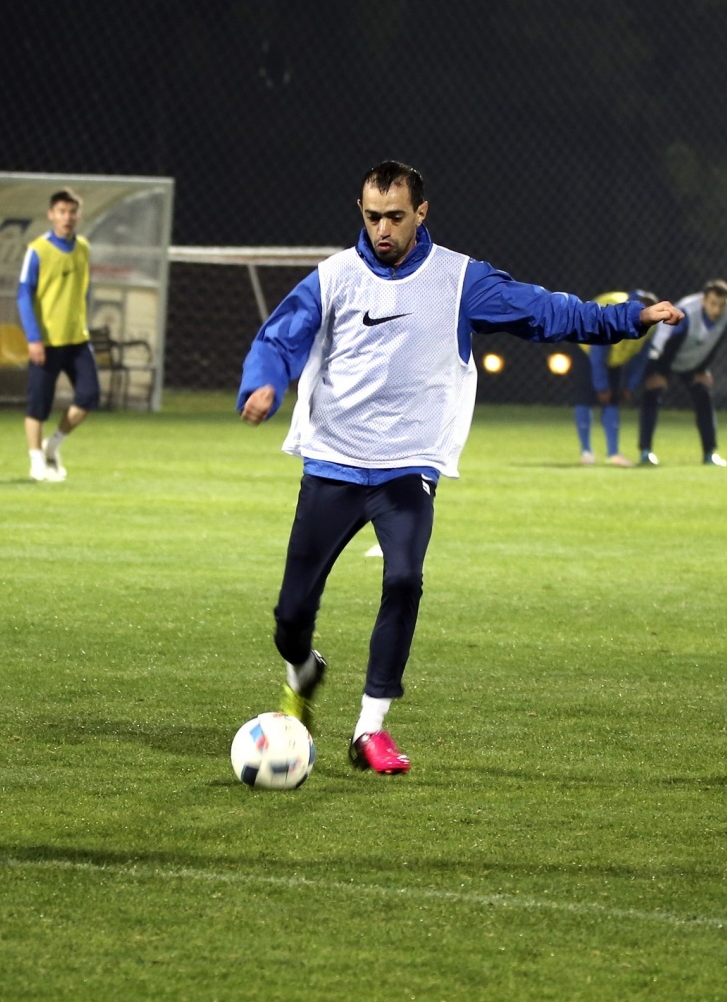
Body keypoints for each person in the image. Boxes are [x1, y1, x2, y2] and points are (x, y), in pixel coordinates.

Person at [237, 161, 684, 775]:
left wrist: (630, 318)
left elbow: (545, 313)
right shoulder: (334, 277)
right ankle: (302, 669)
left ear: (421, 213)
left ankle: (370, 729)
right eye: (373, 216)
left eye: (396, 216)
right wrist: (263, 384)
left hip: (409, 466)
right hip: (333, 462)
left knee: (403, 579)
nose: (383, 229)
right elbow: (279, 338)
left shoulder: (460, 279)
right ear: (361, 211)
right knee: (291, 616)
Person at [17, 188, 98, 481]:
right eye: (62, 211)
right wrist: (33, 338)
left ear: (79, 215)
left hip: (77, 340)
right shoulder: (38, 250)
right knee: (38, 405)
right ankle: (36, 461)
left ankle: (51, 446)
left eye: (72, 212)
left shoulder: (83, 248)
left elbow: (82, 291)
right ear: (51, 214)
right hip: (47, 342)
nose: (67, 217)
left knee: (89, 397)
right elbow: (23, 295)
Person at [637, 280, 727, 467]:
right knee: (652, 394)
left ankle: (710, 454)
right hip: (665, 356)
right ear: (703, 300)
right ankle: (646, 452)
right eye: (713, 304)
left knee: (703, 397)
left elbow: (715, 341)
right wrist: (659, 372)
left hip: (692, 361)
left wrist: (702, 369)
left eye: (721, 305)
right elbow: (667, 343)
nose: (717, 310)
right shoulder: (686, 312)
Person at [571, 290, 658, 467]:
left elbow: (640, 359)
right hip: (586, 345)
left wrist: (630, 386)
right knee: (585, 397)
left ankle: (613, 453)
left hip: (614, 355)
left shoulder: (651, 325)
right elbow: (597, 353)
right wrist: (602, 387)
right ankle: (586, 452)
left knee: (612, 400)